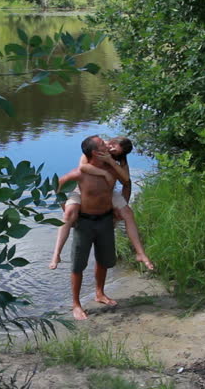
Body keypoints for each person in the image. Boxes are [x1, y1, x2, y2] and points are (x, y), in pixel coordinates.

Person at [49, 136, 154, 271]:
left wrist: (111, 162)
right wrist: (104, 173)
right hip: (83, 187)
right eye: (111, 145)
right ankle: (56, 254)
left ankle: (140, 253)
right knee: (69, 213)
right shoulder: (95, 147)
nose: (110, 149)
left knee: (128, 213)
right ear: (112, 141)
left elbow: (126, 181)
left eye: (115, 152)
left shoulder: (117, 159)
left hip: (106, 190)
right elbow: (82, 168)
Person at [56, 135, 120, 320]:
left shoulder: (111, 167)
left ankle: (100, 293)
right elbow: (58, 187)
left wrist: (117, 210)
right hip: (84, 222)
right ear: (95, 152)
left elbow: (126, 181)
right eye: (102, 145)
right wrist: (67, 211)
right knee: (78, 265)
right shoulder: (79, 173)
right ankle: (76, 304)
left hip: (106, 220)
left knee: (104, 260)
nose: (106, 145)